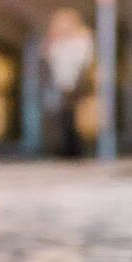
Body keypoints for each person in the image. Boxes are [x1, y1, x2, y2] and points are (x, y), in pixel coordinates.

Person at [42, 9, 94, 157]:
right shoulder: (58, 42)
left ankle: (72, 149)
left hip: (73, 83)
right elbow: (49, 58)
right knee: (62, 117)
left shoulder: (80, 39)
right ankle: (67, 148)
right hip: (60, 83)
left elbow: (81, 62)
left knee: (69, 116)